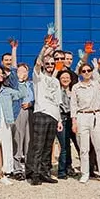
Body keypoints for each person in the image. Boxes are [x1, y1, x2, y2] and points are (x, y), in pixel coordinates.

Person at [25, 42, 62, 185]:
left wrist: (59, 120)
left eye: (52, 63)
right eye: (48, 63)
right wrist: (45, 48)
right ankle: (34, 174)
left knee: (48, 147)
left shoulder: (56, 81)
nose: (50, 65)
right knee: (38, 147)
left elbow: (57, 102)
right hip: (41, 113)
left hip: (53, 116)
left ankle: (45, 173)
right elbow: (38, 62)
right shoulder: (38, 77)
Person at [70, 61, 100, 183]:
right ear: (80, 73)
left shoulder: (96, 84)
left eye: (89, 70)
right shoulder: (76, 87)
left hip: (95, 115)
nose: (86, 73)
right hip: (82, 116)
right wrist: (74, 121)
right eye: (84, 71)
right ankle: (85, 173)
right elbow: (73, 105)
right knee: (83, 148)